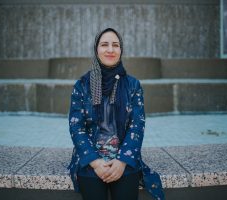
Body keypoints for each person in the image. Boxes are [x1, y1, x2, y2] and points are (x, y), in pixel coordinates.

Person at [68, 27, 165, 200]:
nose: (110, 50)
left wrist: (121, 161)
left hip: (124, 159)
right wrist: (96, 162)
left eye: (116, 45)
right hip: (90, 161)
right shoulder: (82, 85)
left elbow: (137, 125)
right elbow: (76, 127)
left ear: (121, 50)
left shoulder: (133, 85)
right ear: (96, 49)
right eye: (105, 44)